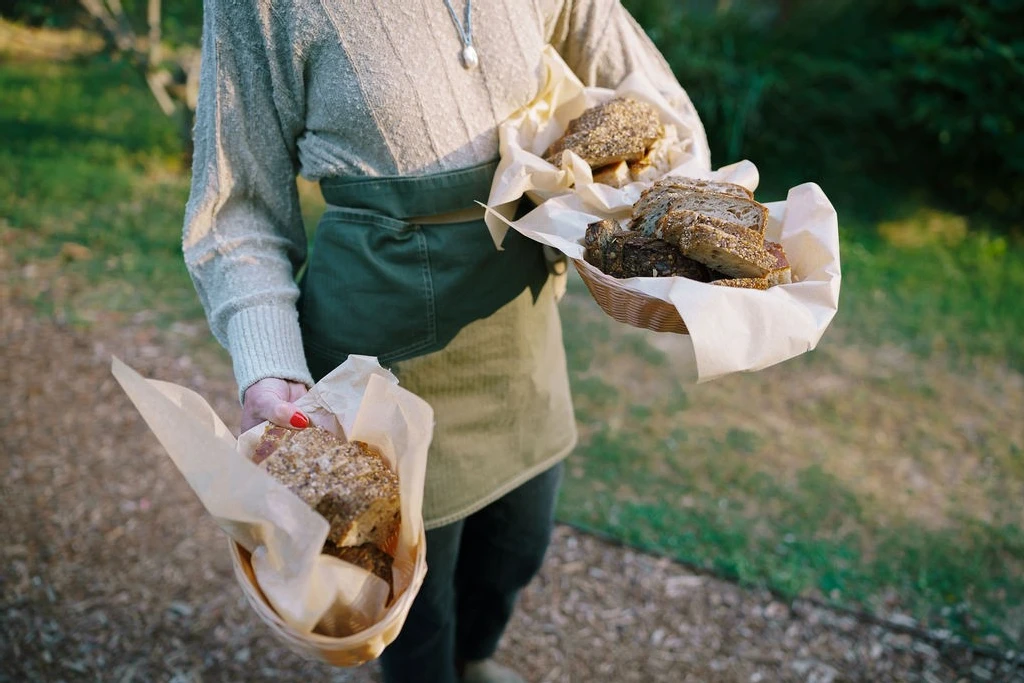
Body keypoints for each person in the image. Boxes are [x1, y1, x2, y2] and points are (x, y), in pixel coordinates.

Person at [182, 1, 708, 681]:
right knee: (409, 607)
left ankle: (474, 662)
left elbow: (652, 100)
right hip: (379, 346)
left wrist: (675, 198)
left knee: (517, 549)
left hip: (515, 318)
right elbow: (236, 205)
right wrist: (268, 365)